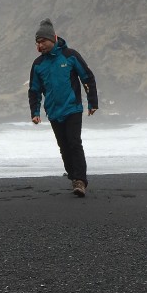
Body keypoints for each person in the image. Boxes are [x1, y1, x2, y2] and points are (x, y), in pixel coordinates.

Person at [28, 18, 98, 197]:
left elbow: (87, 77)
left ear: (53, 38)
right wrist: (35, 112)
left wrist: (92, 102)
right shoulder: (38, 65)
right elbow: (34, 90)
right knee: (64, 147)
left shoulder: (70, 55)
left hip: (72, 108)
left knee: (74, 143)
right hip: (53, 111)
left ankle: (81, 181)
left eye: (43, 41)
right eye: (37, 42)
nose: (40, 45)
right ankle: (74, 177)